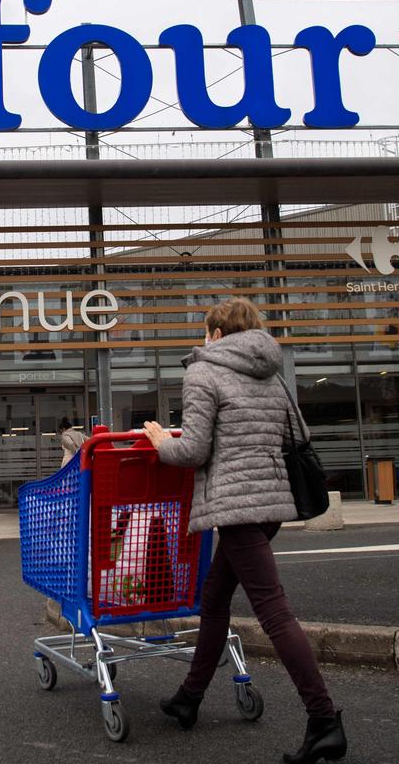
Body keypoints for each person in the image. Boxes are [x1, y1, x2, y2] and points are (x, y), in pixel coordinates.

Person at [142, 297, 346, 763]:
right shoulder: (270, 371)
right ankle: (189, 697)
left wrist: (160, 442)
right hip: (271, 504)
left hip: (236, 508)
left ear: (215, 333)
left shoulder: (203, 371)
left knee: (274, 612)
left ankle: (324, 719)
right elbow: (298, 437)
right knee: (215, 598)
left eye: (205, 330)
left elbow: (194, 451)